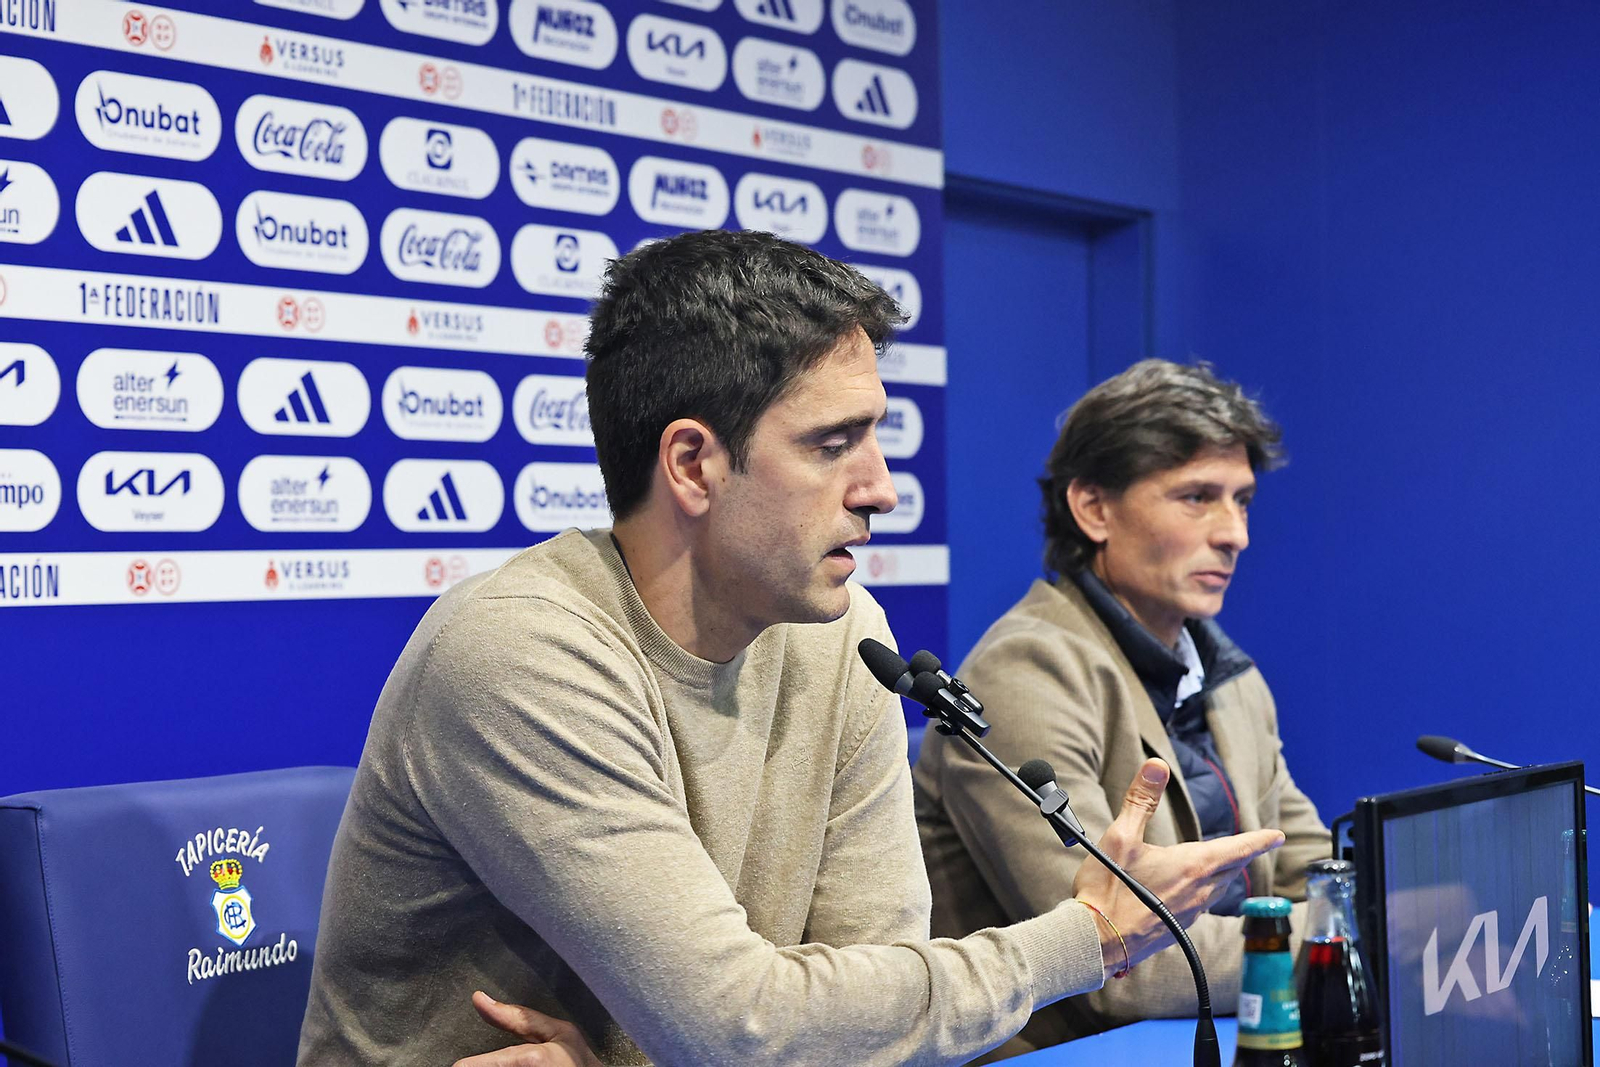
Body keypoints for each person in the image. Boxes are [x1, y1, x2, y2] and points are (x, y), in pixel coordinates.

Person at [297, 234, 1284, 1067]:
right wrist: (1079, 941)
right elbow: (745, 1021)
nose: (880, 486)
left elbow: (866, 1017)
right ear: (693, 463)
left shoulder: (845, 637)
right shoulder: (523, 654)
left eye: (878, 438)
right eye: (832, 443)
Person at [914, 359, 1333, 1058]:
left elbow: (1306, 866)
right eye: (1197, 497)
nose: (1235, 534)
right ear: (1094, 509)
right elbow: (1114, 956)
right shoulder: (1026, 671)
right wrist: (1340, 947)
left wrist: (1363, 917)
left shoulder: (1230, 677)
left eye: (1243, 500)